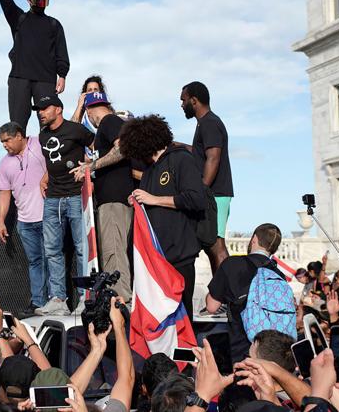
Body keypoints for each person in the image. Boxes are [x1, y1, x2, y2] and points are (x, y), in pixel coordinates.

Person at [118, 114, 204, 316]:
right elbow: (148, 201)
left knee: (180, 318)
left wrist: (154, 199)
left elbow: (195, 199)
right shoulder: (149, 171)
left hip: (178, 258)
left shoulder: (181, 159)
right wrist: (138, 201)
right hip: (155, 261)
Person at [0, 0, 70, 129]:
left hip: (46, 79)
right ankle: (19, 156)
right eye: (36, 0)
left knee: (50, 124)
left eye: (43, 0)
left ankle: (49, 155)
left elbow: (61, 52)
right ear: (29, 1)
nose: (40, 3)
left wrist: (62, 75)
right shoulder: (19, 19)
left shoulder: (54, 24)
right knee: (16, 125)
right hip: (20, 77)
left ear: (47, 2)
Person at [73, 92, 135, 302]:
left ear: (89, 111)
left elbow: (122, 149)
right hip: (112, 200)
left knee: (114, 252)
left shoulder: (109, 121)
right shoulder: (108, 125)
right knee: (113, 251)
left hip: (114, 201)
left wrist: (93, 165)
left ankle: (120, 299)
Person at [35, 95, 94, 315]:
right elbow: (54, 160)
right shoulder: (43, 136)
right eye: (38, 109)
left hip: (76, 196)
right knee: (51, 250)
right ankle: (58, 299)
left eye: (44, 108)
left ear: (58, 109)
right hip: (52, 199)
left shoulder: (76, 130)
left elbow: (97, 148)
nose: (40, 112)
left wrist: (91, 167)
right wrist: (45, 176)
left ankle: (84, 298)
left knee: (81, 249)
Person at [204, 222, 283, 364]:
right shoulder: (279, 275)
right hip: (272, 353)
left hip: (242, 349)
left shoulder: (232, 264)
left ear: (254, 239)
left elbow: (211, 306)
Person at [0, 121, 49, 317]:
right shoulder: (4, 162)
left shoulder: (39, 144)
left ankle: (54, 300)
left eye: (7, 140)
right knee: (35, 261)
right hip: (24, 221)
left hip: (48, 216)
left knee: (52, 259)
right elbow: (4, 193)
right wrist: (0, 221)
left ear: (19, 135)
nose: (5, 145)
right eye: (2, 142)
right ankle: (37, 302)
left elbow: (56, 162)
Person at [180, 81, 233, 271]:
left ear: (194, 101)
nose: (181, 104)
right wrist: (178, 146)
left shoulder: (209, 123)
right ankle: (221, 293)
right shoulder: (205, 124)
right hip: (212, 193)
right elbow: (202, 153)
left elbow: (213, 157)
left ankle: (229, 294)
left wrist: (201, 189)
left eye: (183, 100)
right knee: (210, 246)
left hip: (215, 194)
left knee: (217, 245)